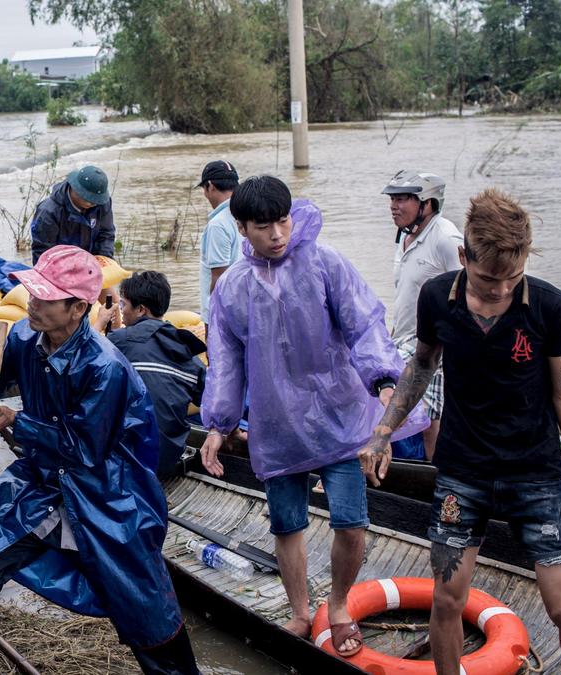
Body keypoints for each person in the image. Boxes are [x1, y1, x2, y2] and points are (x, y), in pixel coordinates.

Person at [359, 189, 561, 675]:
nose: (499, 289)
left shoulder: (551, 309)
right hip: (462, 472)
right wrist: (382, 431)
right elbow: (422, 365)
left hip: (534, 473)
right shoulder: (438, 298)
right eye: (488, 277)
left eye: (511, 278)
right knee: (448, 601)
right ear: (462, 256)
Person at [0, 246, 200, 675]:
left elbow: (84, 449)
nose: (32, 302)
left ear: (77, 308)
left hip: (106, 493)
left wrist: (15, 420)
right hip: (42, 481)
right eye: (32, 292)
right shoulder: (24, 337)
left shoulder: (104, 367)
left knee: (142, 601)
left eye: (45, 297)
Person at [198, 176, 425, 657]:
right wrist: (218, 425)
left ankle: (339, 606)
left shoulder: (325, 263)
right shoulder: (233, 289)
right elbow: (226, 361)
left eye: (283, 220)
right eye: (264, 226)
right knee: (287, 524)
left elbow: (364, 324)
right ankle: (301, 610)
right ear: (242, 228)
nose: (278, 234)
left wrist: (385, 380)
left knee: (351, 520)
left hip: (339, 418)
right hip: (277, 425)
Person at [382, 170, 462, 461]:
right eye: (392, 198)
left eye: (402, 199)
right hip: (403, 337)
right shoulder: (403, 236)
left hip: (433, 341)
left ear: (427, 204)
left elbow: (466, 291)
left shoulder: (446, 238)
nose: (394, 206)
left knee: (429, 414)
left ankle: (434, 474)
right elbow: (404, 293)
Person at [95, 270, 206, 479]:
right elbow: (210, 403)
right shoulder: (189, 355)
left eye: (124, 305)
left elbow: (76, 363)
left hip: (127, 461)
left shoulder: (117, 342)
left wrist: (100, 324)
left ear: (141, 310)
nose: (121, 311)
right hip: (167, 460)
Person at [30, 165, 115, 264]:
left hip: (91, 264)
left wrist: (103, 261)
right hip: (60, 266)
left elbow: (106, 234)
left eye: (96, 200)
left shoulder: (102, 203)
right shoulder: (48, 212)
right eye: (89, 199)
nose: (93, 204)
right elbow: (42, 252)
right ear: (75, 190)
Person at [196, 160, 240, 324]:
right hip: (242, 303)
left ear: (210, 186)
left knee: (215, 351)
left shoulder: (218, 224)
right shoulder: (246, 212)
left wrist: (214, 317)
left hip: (222, 310)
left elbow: (219, 276)